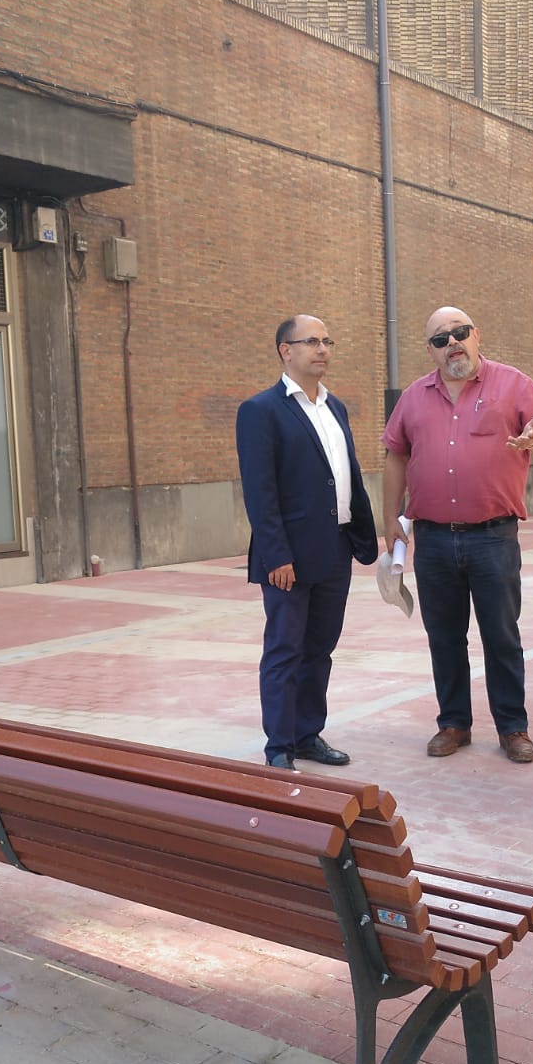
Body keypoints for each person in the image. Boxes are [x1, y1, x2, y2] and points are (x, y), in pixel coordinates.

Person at [382, 306, 533, 763]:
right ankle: (453, 723)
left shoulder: (511, 383)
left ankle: (512, 727)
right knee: (444, 637)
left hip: (492, 538)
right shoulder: (414, 397)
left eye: (459, 332)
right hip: (433, 539)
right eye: (440, 338)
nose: (452, 343)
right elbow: (396, 455)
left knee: (501, 636)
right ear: (430, 350)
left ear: (476, 335)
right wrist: (389, 518)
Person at [237, 315, 378, 770]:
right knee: (285, 650)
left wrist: (362, 535)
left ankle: (307, 734)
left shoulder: (335, 407)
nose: (322, 349)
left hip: (335, 549)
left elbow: (346, 475)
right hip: (289, 559)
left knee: (320, 648)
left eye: (327, 341)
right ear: (286, 350)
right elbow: (260, 491)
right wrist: (276, 554)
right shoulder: (261, 410)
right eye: (312, 341)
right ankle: (279, 747)